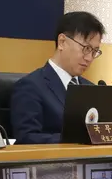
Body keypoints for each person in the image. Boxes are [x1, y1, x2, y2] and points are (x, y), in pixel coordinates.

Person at [11, 12, 105, 144]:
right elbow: (26, 139)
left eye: (95, 51)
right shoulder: (30, 87)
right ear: (62, 42)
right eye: (86, 48)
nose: (89, 58)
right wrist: (76, 139)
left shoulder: (91, 89)